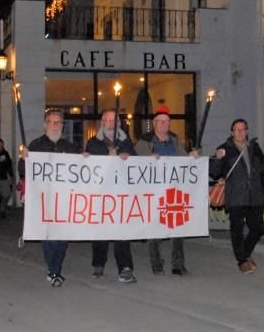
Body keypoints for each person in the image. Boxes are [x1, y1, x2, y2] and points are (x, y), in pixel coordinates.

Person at [134, 107, 199, 276]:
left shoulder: (174, 140)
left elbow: (183, 158)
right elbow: (134, 161)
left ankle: (178, 265)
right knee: (155, 229)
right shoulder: (145, 140)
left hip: (173, 191)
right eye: (161, 121)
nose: (165, 124)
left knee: (178, 228)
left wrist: (191, 156)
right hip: (153, 191)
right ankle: (156, 264)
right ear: (154, 124)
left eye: (167, 122)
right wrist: (148, 157)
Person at [212, 118, 264, 273]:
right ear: (231, 132)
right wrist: (218, 159)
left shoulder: (253, 147)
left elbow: (263, 170)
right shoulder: (225, 149)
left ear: (247, 131)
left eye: (243, 129)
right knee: (237, 230)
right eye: (237, 129)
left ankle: (244, 255)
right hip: (235, 195)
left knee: (258, 228)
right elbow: (214, 172)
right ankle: (242, 261)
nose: (240, 132)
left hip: (254, 195)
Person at [24, 109, 78, 287]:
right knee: (48, 237)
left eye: (59, 123)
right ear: (45, 125)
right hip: (44, 199)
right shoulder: (36, 145)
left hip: (63, 199)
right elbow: (22, 171)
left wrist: (85, 159)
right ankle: (54, 270)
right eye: (52, 122)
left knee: (62, 237)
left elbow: (80, 171)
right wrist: (24, 159)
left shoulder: (69, 147)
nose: (56, 126)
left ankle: (54, 270)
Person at [84, 109, 137, 283]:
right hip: (101, 194)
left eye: (113, 120)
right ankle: (98, 263)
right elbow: (90, 165)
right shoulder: (93, 143)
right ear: (102, 123)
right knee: (100, 231)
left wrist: (126, 157)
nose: (109, 123)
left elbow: (136, 165)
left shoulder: (127, 143)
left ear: (119, 124)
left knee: (122, 233)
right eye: (106, 120)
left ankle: (125, 267)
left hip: (121, 195)